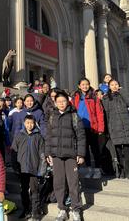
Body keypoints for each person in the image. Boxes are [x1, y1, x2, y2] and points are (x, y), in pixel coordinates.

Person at [45, 91, 86, 221]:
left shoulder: (74, 116)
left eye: (63, 101)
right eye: (59, 102)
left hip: (71, 155)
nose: (61, 104)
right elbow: (49, 137)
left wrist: (81, 153)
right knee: (58, 183)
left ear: (67, 101)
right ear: (55, 103)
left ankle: (75, 209)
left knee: (73, 183)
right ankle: (62, 209)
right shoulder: (52, 116)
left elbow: (81, 136)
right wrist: (48, 153)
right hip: (56, 155)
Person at [102, 79, 129, 179]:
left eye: (116, 84)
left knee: (127, 150)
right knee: (118, 151)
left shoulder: (122, 95)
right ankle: (121, 170)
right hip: (114, 127)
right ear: (109, 87)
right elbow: (106, 114)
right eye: (112, 85)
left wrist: (122, 91)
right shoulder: (105, 98)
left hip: (125, 126)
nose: (114, 86)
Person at [11, 115, 45, 220]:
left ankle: (36, 212)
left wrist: (42, 170)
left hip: (34, 169)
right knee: (24, 191)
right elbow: (13, 152)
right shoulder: (19, 135)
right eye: (27, 123)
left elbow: (42, 154)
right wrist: (15, 167)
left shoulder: (38, 136)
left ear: (34, 123)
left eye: (31, 123)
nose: (29, 125)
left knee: (35, 191)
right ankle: (26, 210)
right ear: (24, 123)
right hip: (22, 169)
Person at [72, 78, 104, 178]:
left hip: (92, 127)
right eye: (83, 84)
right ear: (79, 86)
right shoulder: (75, 97)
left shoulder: (94, 97)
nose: (85, 86)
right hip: (80, 127)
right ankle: (89, 169)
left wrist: (100, 128)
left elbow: (99, 112)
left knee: (95, 149)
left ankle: (98, 168)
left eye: (87, 84)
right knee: (84, 150)